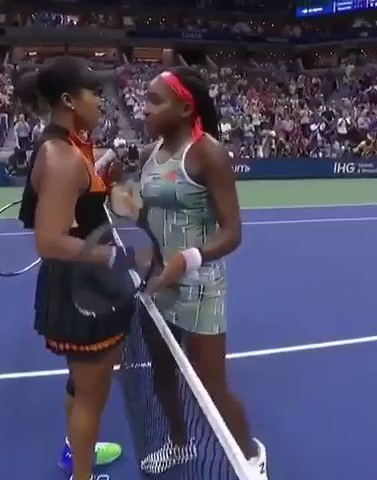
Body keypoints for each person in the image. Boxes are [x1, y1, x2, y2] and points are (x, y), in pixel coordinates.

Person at [134, 67, 268, 478]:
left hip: (202, 290)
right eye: (144, 99)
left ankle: (251, 460)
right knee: (162, 375)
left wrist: (187, 259)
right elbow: (151, 218)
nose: (143, 109)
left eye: (155, 100)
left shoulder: (208, 153)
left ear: (184, 107)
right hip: (158, 286)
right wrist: (131, 213)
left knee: (211, 388)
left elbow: (232, 233)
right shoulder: (149, 153)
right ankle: (179, 444)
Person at [16, 57, 129, 480]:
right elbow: (49, 241)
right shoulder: (61, 156)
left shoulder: (67, 146)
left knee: (82, 386)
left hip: (85, 284)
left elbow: (78, 205)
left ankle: (75, 452)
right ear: (68, 100)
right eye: (93, 93)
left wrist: (104, 178)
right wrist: (109, 256)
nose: (100, 101)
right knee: (90, 397)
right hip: (81, 289)